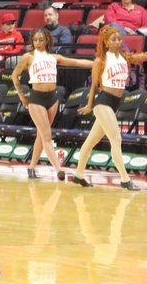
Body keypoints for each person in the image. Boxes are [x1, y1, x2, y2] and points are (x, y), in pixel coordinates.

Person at [71, 26, 147, 189]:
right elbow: (94, 85)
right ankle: (125, 179)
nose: (117, 42)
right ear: (106, 42)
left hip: (115, 103)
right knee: (116, 139)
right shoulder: (100, 60)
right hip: (102, 102)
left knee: (90, 142)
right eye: (113, 39)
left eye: (119, 39)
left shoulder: (125, 57)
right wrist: (89, 105)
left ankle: (78, 175)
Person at [12, 29, 93, 179]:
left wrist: (97, 65)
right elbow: (14, 75)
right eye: (35, 40)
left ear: (47, 40)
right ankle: (59, 169)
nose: (37, 43)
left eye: (41, 40)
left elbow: (77, 62)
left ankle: (31, 168)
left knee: (42, 135)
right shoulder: (28, 57)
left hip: (52, 98)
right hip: (37, 99)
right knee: (47, 136)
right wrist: (22, 96)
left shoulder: (54, 57)